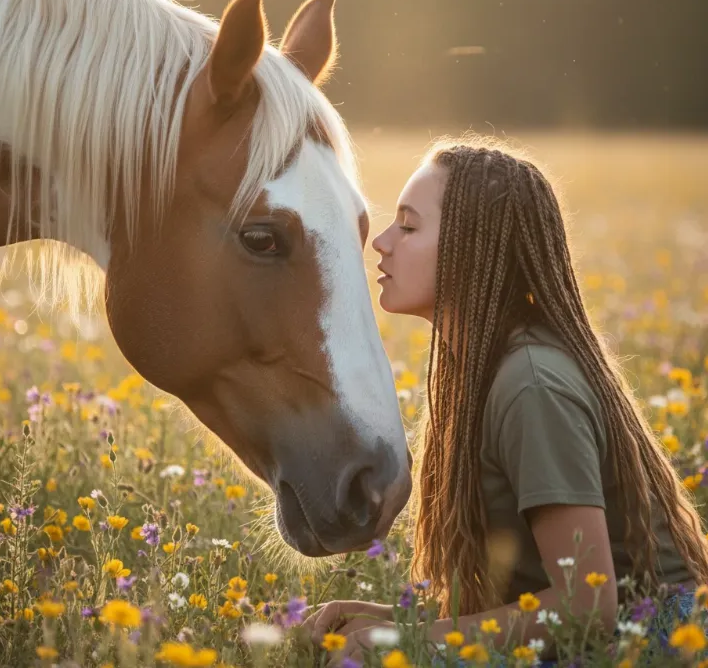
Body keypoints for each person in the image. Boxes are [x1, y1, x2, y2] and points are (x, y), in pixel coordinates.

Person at [302, 138, 707, 663]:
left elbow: (588, 606)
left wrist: (404, 641)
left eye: (408, 226)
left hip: (662, 642)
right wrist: (388, 618)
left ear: (472, 246)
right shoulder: (486, 371)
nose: (380, 242)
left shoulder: (531, 385)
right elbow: (528, 599)